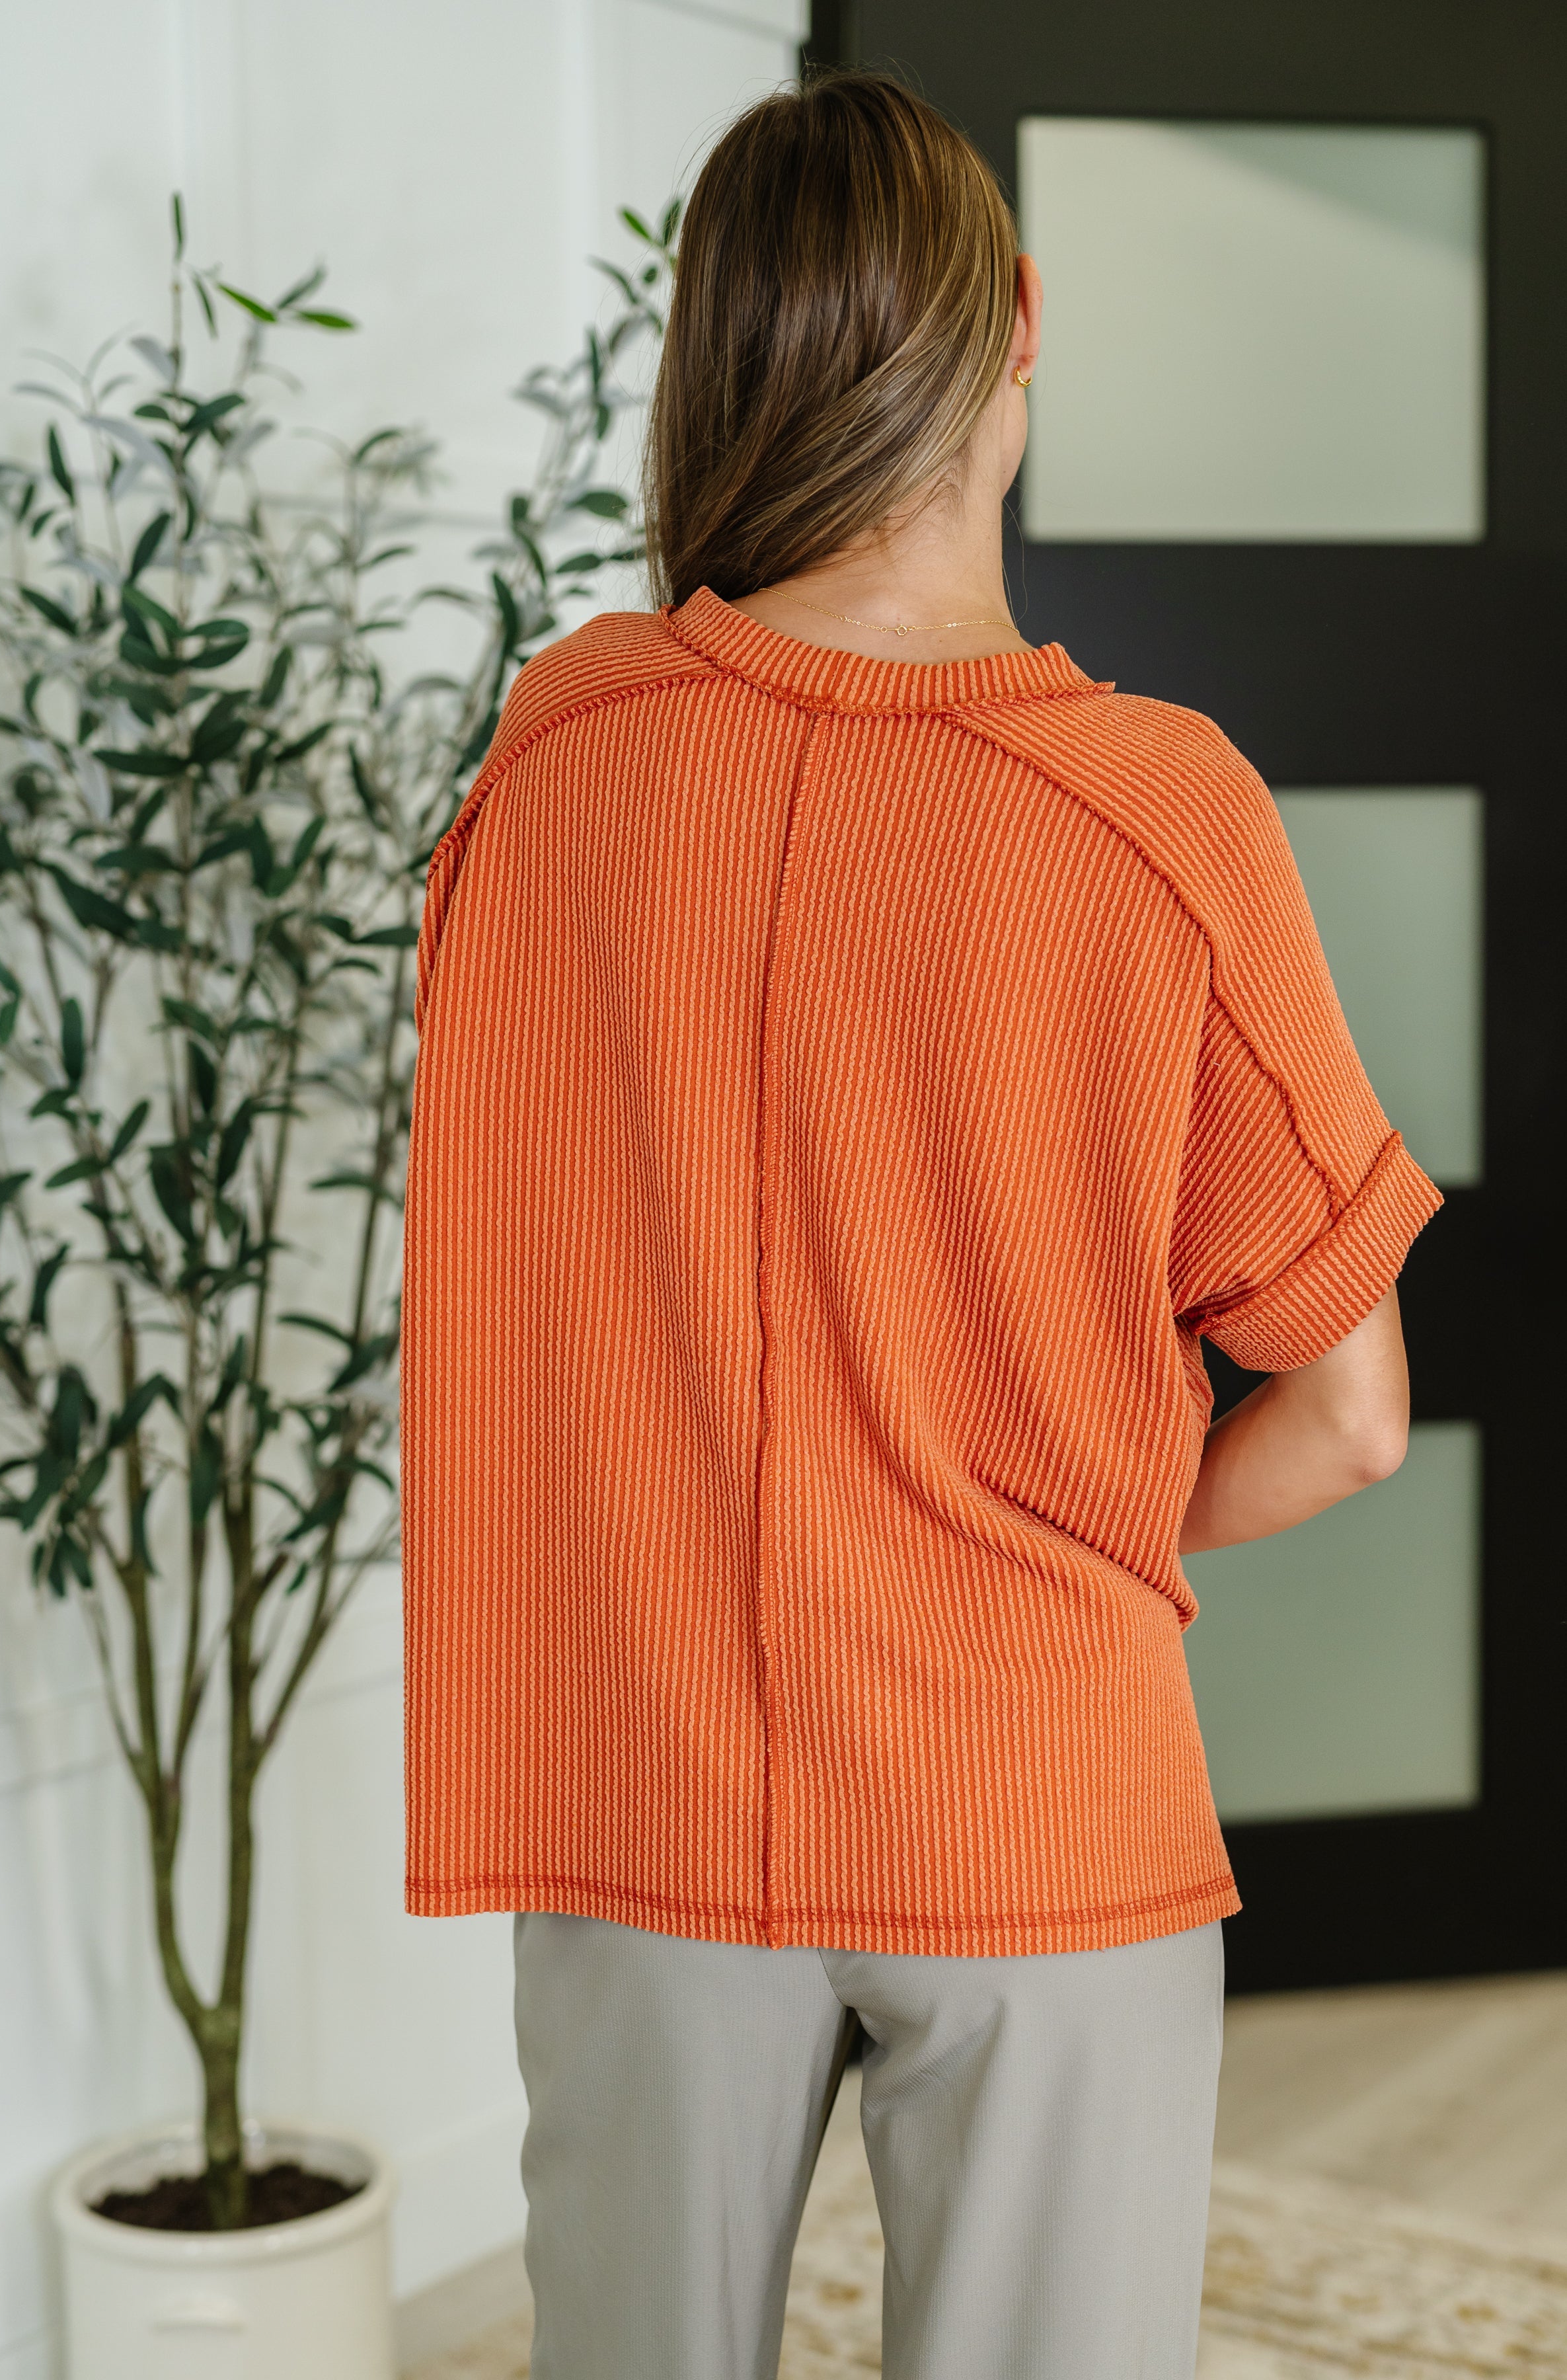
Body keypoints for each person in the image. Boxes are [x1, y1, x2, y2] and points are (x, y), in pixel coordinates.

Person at [399, 67, 1441, 2380]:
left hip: (640, 1782)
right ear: (1023, 321)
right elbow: (1351, 1413)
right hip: (1034, 1800)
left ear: (713, 362)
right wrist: (1071, 1523)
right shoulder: (1156, 812)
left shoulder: (555, 758)